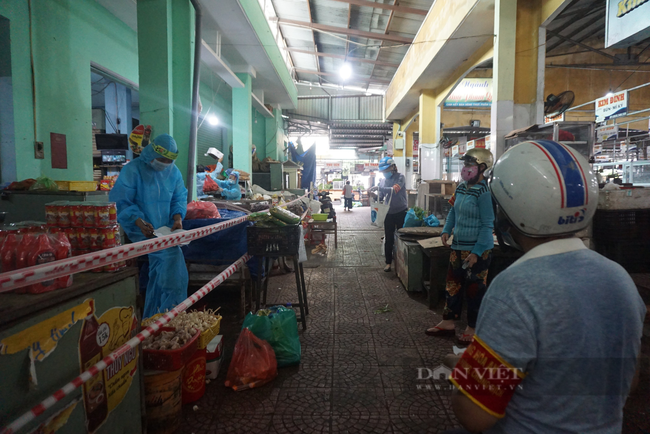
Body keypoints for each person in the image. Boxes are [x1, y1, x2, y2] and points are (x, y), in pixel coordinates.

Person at [443, 140, 645, 434]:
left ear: (507, 210)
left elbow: (474, 415)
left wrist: (467, 370)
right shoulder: (620, 279)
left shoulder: (514, 288)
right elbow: (631, 379)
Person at [110, 134, 189, 318]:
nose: (165, 164)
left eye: (169, 161)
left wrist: (177, 218)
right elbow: (122, 202)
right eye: (162, 159)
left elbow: (179, 197)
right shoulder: (132, 171)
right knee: (171, 262)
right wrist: (138, 221)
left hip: (166, 230)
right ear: (152, 153)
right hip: (140, 229)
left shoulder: (173, 172)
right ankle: (170, 317)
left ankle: (155, 318)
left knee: (163, 270)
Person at [426, 148, 495, 344]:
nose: (465, 169)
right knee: (453, 285)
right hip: (457, 247)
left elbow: (487, 224)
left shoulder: (484, 193)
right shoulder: (461, 187)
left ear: (482, 168)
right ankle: (448, 322)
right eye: (464, 165)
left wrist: (476, 252)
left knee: (474, 290)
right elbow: (453, 213)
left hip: (477, 251)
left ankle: (473, 327)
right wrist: (446, 230)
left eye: (469, 165)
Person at [374, 156, 407, 272]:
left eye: (387, 170)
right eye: (383, 171)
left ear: (393, 167)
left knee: (402, 236)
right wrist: (373, 194)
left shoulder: (400, 177)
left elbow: (395, 190)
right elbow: (382, 196)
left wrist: (379, 188)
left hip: (401, 211)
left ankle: (402, 262)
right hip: (388, 213)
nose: (385, 173)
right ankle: (388, 263)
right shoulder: (383, 181)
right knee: (389, 238)